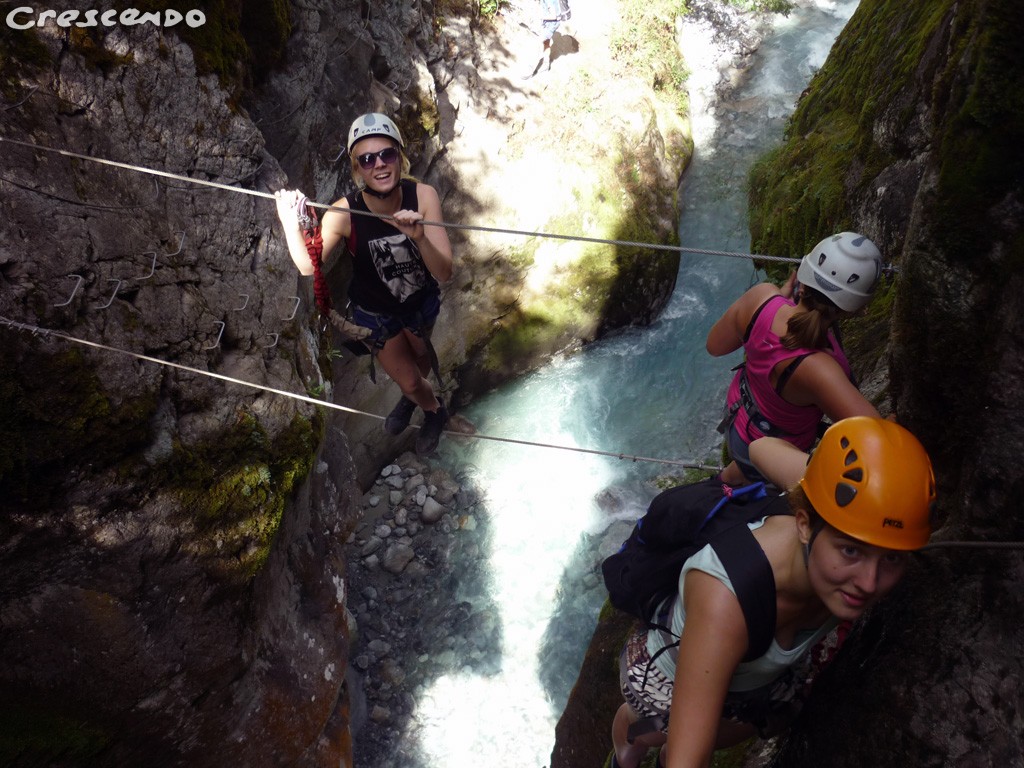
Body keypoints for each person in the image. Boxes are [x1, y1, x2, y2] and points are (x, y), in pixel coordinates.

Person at [611, 416, 936, 768]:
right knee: (655, 738)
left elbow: (761, 447)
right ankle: (624, 757)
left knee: (732, 728)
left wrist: (813, 470)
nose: (870, 583)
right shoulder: (725, 597)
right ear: (804, 524)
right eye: (851, 551)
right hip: (668, 678)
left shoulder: (832, 506)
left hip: (755, 680)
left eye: (892, 558)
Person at [274, 113, 454, 455]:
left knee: (421, 361)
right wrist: (288, 222)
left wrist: (420, 238)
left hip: (419, 304)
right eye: (367, 160)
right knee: (413, 379)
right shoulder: (344, 214)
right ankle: (434, 410)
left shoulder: (423, 196)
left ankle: (410, 398)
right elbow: (307, 266)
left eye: (387, 155)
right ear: (357, 169)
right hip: (376, 316)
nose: (380, 165)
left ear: (399, 157)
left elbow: (444, 272)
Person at [706, 232, 884, 486]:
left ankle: (724, 481)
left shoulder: (761, 298)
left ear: (804, 273)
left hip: (737, 420)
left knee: (744, 465)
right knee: (757, 473)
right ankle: (737, 479)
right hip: (774, 455)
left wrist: (774, 302)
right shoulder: (821, 370)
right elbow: (878, 440)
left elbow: (714, 346)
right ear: (854, 308)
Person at [522, 0, 571, 79]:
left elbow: (554, 16)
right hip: (550, 23)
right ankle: (545, 65)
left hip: (551, 24)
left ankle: (530, 70)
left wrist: (539, 17)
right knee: (546, 43)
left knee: (538, 44)